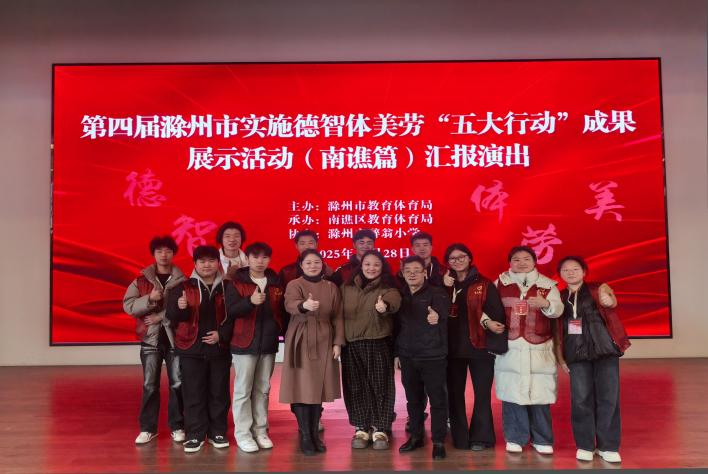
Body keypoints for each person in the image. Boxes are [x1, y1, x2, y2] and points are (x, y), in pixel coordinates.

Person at [555, 256, 630, 463]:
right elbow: (557, 331)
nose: (571, 273)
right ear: (560, 274)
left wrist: (609, 299)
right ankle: (585, 445)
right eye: (566, 270)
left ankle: (608, 446)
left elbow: (611, 300)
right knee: (580, 399)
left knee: (608, 398)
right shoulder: (560, 297)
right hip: (576, 353)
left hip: (604, 350)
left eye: (575, 269)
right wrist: (561, 358)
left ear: (584, 271)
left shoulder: (597, 288)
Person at [493, 246, 563, 454]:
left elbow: (558, 310)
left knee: (541, 395)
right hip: (510, 348)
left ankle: (542, 439)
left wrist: (546, 303)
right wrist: (489, 323)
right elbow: (487, 309)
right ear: (510, 263)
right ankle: (515, 437)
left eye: (526, 259)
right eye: (516, 259)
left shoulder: (548, 285)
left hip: (540, 349)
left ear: (534, 262)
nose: (521, 263)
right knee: (512, 394)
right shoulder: (499, 283)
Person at [166, 245, 235, 453]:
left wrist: (221, 335)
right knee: (193, 393)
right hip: (191, 348)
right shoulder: (182, 287)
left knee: (219, 393)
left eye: (211, 261)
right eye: (202, 261)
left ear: (218, 263)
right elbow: (171, 317)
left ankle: (217, 432)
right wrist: (180, 308)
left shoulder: (227, 287)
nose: (207, 265)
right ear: (195, 264)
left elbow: (234, 316)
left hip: (219, 349)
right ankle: (195, 434)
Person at [279, 249, 345, 456]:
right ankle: (305, 435)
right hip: (300, 337)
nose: (313, 266)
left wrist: (337, 342)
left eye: (317, 262)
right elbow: (289, 304)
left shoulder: (331, 287)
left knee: (318, 387)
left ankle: (315, 434)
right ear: (301, 265)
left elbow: (338, 316)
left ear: (322, 264)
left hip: (324, 338)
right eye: (308, 262)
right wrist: (303, 305)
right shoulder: (294, 284)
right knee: (301, 386)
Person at [442, 243, 507, 451]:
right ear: (447, 263)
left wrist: (489, 324)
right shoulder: (444, 284)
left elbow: (496, 313)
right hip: (451, 349)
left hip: (479, 347)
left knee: (482, 394)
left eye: (461, 257)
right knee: (454, 395)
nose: (457, 261)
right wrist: (442, 287)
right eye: (452, 258)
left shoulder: (485, 284)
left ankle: (481, 437)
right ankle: (460, 438)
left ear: (470, 258)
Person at [123, 235, 186, 445]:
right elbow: (128, 306)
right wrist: (149, 298)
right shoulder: (141, 280)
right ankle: (147, 429)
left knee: (177, 383)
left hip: (176, 339)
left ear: (173, 254)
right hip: (150, 339)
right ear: (153, 254)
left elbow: (188, 308)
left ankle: (178, 426)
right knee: (150, 385)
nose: (164, 255)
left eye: (168, 251)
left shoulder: (183, 281)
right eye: (159, 251)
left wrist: (161, 316)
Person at [225, 242, 284, 453]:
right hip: (244, 343)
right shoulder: (237, 282)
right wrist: (250, 302)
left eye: (264, 257)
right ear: (247, 259)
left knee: (263, 390)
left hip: (268, 344)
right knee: (243, 391)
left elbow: (281, 313)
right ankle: (243, 434)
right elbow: (230, 311)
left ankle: (260, 431)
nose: (260, 261)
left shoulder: (276, 283)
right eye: (255, 257)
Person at [340, 250, 401, 450]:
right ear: (361, 265)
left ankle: (381, 428)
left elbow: (394, 302)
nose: (371, 268)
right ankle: (361, 427)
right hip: (352, 344)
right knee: (355, 387)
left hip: (378, 342)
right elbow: (337, 314)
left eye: (376, 264)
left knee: (380, 386)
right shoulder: (347, 287)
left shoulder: (388, 287)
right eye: (367, 264)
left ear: (382, 267)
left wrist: (385, 306)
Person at [395, 256, 450, 460]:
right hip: (407, 355)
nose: (412, 274)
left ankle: (438, 441)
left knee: (437, 400)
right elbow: (395, 327)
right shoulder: (399, 295)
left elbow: (443, 313)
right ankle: (416, 437)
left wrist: (437, 316)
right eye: (408, 270)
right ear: (403, 273)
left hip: (433, 355)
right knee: (413, 400)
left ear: (424, 273)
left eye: (416, 270)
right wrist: (397, 353)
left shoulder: (437, 293)